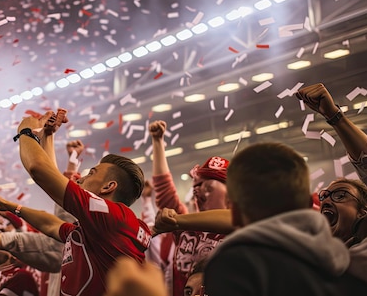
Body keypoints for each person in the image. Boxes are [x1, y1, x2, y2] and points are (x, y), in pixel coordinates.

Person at [203, 142, 367, 295]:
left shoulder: (234, 266)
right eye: (325, 196)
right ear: (309, 203)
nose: (328, 200)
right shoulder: (358, 267)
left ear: (235, 213)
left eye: (340, 195)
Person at [12, 110, 151, 296]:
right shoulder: (99, 225)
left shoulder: (111, 216)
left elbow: (39, 169)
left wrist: (26, 130)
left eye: (91, 173)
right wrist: (48, 136)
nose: (81, 177)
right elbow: (52, 221)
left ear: (108, 186)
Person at [149, 120, 229, 296]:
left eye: (207, 186)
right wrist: (157, 142)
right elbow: (164, 190)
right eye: (196, 185)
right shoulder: (188, 227)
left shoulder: (242, 226)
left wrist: (178, 220)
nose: (197, 189)